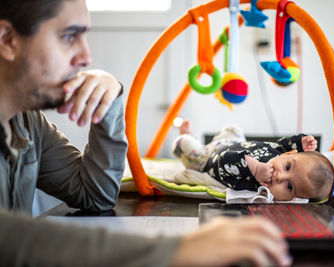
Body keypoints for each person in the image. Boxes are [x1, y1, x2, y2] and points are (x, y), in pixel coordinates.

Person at [0, 0, 293, 266]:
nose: (86, 56)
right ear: (7, 40)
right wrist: (176, 250)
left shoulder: (27, 122)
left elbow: (94, 196)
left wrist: (110, 101)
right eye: (68, 36)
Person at [173, 121, 334, 202]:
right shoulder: (281, 151)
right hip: (231, 142)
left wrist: (256, 169)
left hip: (207, 157)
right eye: (287, 167)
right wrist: (301, 142)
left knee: (184, 144)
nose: (280, 177)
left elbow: (225, 161)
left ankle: (188, 135)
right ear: (290, 153)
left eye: (289, 187)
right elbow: (286, 143)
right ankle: (215, 137)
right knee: (233, 129)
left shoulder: (252, 185)